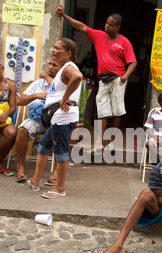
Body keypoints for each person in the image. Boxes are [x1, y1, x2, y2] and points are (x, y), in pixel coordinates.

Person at [55, 5, 137, 152]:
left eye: (111, 25)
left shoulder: (124, 42)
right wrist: (64, 15)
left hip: (118, 80)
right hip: (104, 80)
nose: (107, 26)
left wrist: (124, 77)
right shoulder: (99, 35)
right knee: (102, 112)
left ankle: (112, 141)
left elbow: (133, 62)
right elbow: (81, 26)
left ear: (118, 27)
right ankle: (98, 143)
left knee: (117, 111)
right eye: (106, 23)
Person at [26, 38, 83, 199]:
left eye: (58, 48)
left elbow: (78, 77)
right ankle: (35, 181)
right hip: (59, 117)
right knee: (44, 145)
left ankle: (60, 188)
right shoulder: (65, 69)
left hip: (63, 117)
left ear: (68, 53)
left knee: (61, 151)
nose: (54, 50)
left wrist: (64, 98)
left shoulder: (69, 67)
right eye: (54, 47)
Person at [14, 58, 61, 183]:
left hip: (54, 122)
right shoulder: (38, 84)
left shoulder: (62, 84)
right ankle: (21, 168)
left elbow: (55, 86)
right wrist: (36, 95)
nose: (50, 67)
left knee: (61, 134)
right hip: (37, 121)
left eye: (54, 65)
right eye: (49, 64)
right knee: (22, 131)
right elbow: (19, 101)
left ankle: (56, 172)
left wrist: (45, 76)